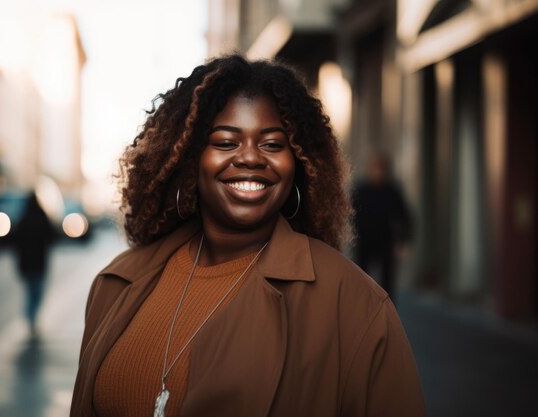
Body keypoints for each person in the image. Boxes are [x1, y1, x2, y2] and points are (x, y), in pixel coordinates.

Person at [71, 55, 425, 417]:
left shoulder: (354, 306)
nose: (251, 158)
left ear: (298, 164)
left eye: (272, 144)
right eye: (226, 142)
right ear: (188, 159)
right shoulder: (117, 283)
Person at [351, 152, 413, 300]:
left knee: (388, 282)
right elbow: (351, 213)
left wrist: (402, 242)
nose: (377, 172)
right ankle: (361, 309)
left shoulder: (392, 191)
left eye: (380, 168)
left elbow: (404, 217)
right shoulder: (361, 190)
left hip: (385, 241)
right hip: (364, 240)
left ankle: (388, 314)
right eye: (374, 168)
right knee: (361, 279)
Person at [13, 191, 54, 337]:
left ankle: (30, 316)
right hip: (39, 262)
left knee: (30, 291)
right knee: (37, 292)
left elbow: (16, 242)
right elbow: (51, 236)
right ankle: (31, 316)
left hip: (26, 263)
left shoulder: (23, 218)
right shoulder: (41, 216)